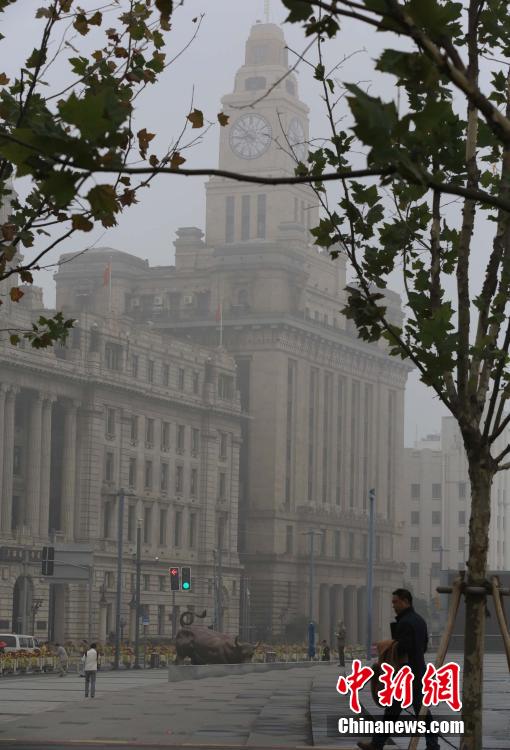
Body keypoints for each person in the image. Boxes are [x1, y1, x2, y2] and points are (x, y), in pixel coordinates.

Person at [357, 589, 440, 750]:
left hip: (405, 673)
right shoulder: (420, 621)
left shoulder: (405, 623)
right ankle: (432, 745)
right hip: (418, 670)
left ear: (405, 601)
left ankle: (378, 744)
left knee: (400, 711)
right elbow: (423, 647)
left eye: (396, 602)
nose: (393, 606)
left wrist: (390, 646)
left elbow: (403, 648)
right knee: (415, 710)